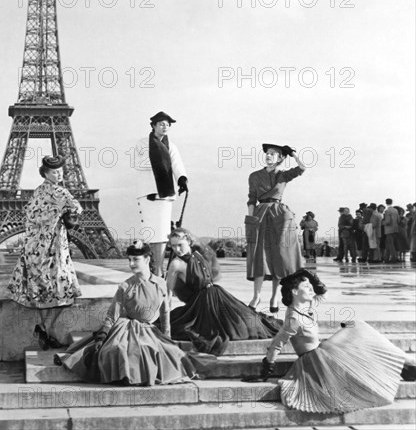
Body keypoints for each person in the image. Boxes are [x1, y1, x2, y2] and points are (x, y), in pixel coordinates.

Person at [243, 268, 416, 413]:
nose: (311, 289)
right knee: (357, 328)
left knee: (356, 328)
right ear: (295, 292)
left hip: (323, 350)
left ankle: (404, 364)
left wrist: (308, 275)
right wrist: (267, 368)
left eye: (310, 286)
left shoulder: (305, 307)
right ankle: (405, 362)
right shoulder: (293, 318)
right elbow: (277, 343)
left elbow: (322, 292)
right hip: (315, 362)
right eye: (306, 287)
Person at [57, 240, 195, 386]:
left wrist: (167, 337)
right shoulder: (125, 286)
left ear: (147, 259)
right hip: (126, 329)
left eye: (136, 259)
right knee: (123, 351)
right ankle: (131, 376)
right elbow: (112, 315)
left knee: (171, 353)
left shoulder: (161, 284)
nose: (131, 264)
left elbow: (165, 312)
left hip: (150, 330)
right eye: (129, 260)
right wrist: (102, 335)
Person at [6, 156, 83, 348]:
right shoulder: (61, 192)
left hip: (35, 248)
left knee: (39, 290)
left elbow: (31, 216)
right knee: (64, 291)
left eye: (60, 171)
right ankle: (46, 328)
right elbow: (77, 209)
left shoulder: (38, 192)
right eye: (55, 172)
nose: (59, 174)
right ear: (45, 173)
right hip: (54, 248)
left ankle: (43, 329)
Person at [166, 228, 281, 356]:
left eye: (180, 245)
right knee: (228, 330)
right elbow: (168, 291)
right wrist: (164, 311)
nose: (176, 249)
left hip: (218, 295)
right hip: (201, 305)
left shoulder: (198, 254)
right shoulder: (176, 264)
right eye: (173, 246)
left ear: (189, 242)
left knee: (248, 321)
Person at [245, 143, 306, 313]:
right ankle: (256, 296)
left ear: (280, 158)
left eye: (273, 154)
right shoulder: (254, 176)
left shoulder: (284, 175)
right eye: (267, 153)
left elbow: (302, 167)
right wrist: (251, 219)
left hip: (280, 215)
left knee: (278, 256)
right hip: (260, 214)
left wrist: (293, 153)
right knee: (259, 255)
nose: (269, 156)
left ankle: (274, 297)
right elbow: (251, 198)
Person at [133, 111, 188, 277]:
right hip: (148, 192)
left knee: (162, 231)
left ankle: (158, 267)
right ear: (153, 126)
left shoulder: (172, 146)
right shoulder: (142, 143)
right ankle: (152, 266)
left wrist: (182, 179)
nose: (165, 127)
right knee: (150, 231)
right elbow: (138, 164)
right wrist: (157, 154)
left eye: (167, 125)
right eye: (162, 124)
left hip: (164, 194)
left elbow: (177, 164)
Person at [383, 198, 399, 263]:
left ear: (386, 202)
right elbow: (398, 220)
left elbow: (387, 221)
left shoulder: (387, 211)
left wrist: (382, 222)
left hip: (389, 229)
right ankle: (386, 258)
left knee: (390, 244)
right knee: (389, 244)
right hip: (395, 229)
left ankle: (393, 258)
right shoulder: (395, 210)